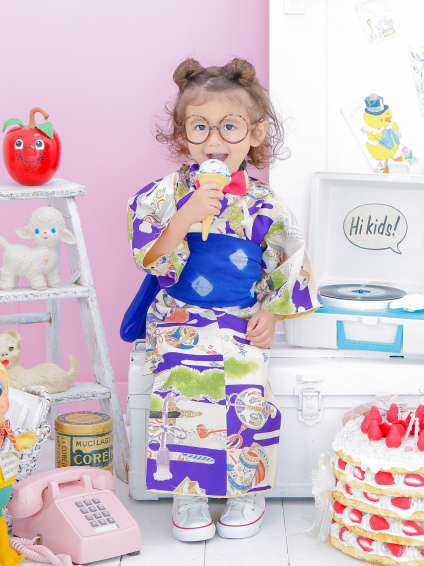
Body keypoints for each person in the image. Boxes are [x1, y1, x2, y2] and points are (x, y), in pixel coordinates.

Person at [125, 58, 321, 542]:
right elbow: (151, 257)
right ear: (183, 134)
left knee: (246, 385)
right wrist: (185, 215)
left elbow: (289, 258)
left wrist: (271, 312)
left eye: (229, 127)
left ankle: (245, 492)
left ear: (256, 133)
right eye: (200, 127)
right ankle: (187, 493)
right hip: (179, 313)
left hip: (240, 315)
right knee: (177, 386)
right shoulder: (164, 194)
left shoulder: (266, 202)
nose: (214, 140)